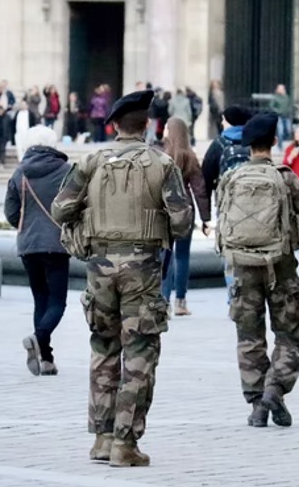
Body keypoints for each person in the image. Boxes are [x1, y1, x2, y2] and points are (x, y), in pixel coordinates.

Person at [52, 89, 193, 468]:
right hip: (143, 271)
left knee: (103, 350)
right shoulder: (162, 164)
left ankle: (100, 437)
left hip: (99, 269)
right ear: (146, 124)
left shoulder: (92, 161)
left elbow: (61, 208)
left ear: (113, 125)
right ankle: (125, 443)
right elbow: (182, 222)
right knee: (140, 354)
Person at [215, 112, 299, 429]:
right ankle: (275, 389)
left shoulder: (231, 179)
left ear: (247, 145)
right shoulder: (285, 177)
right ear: (274, 142)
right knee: (289, 335)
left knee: (249, 337)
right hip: (281, 267)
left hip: (242, 269)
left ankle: (256, 404)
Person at [4, 125, 72, 377]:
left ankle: (46, 359)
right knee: (57, 301)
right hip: (56, 243)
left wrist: (27, 227)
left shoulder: (19, 172)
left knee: (40, 299)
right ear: (54, 145)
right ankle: (38, 337)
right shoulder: (66, 171)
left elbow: (10, 212)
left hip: (28, 244)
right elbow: (76, 205)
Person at [159, 117, 211, 317]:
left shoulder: (161, 154)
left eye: (165, 127)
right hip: (186, 208)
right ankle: (181, 301)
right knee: (182, 256)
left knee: (165, 255)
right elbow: (200, 189)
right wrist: (206, 218)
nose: (163, 129)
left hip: (164, 208)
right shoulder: (189, 155)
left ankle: (164, 301)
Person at [201, 105, 253, 199]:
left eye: (224, 119)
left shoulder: (219, 143)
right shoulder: (254, 142)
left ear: (230, 121)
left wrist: (206, 209)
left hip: (226, 201)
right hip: (251, 198)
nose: (222, 123)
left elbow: (206, 175)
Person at [268, 84, 294, 148]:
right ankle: (280, 144)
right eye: (280, 88)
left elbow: (290, 104)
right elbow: (271, 106)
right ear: (277, 90)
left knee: (288, 130)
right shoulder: (275, 97)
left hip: (286, 115)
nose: (282, 90)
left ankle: (282, 139)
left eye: (283, 88)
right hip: (279, 116)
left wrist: (289, 110)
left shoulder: (286, 97)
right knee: (280, 131)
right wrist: (278, 111)